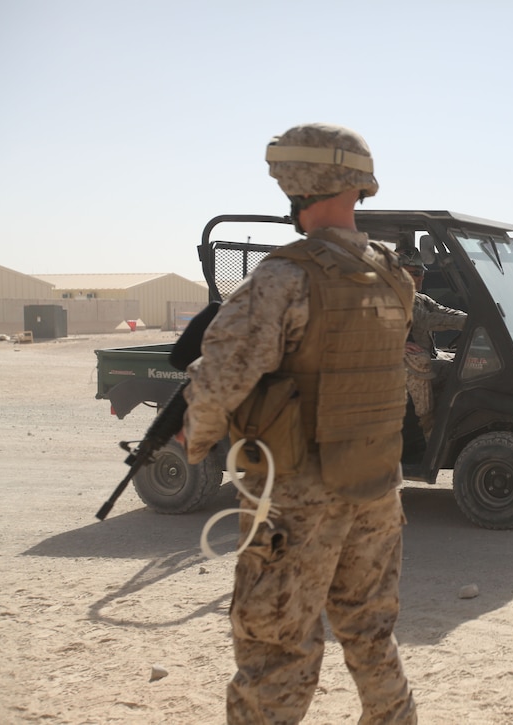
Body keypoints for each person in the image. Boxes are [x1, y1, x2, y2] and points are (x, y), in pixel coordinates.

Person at [181, 122, 418, 724]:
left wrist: (196, 437)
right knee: (369, 631)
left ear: (296, 183)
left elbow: (221, 378)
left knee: (276, 647)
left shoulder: (283, 278)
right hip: (375, 487)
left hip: (298, 501)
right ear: (356, 185)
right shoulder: (394, 277)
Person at [401, 248, 467, 441]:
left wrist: (472, 318)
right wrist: (469, 323)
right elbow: (428, 320)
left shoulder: (419, 298)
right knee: (452, 370)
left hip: (426, 355)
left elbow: (444, 312)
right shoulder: (395, 299)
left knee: (465, 364)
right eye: (416, 273)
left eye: (422, 272)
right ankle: (430, 433)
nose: (421, 278)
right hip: (402, 363)